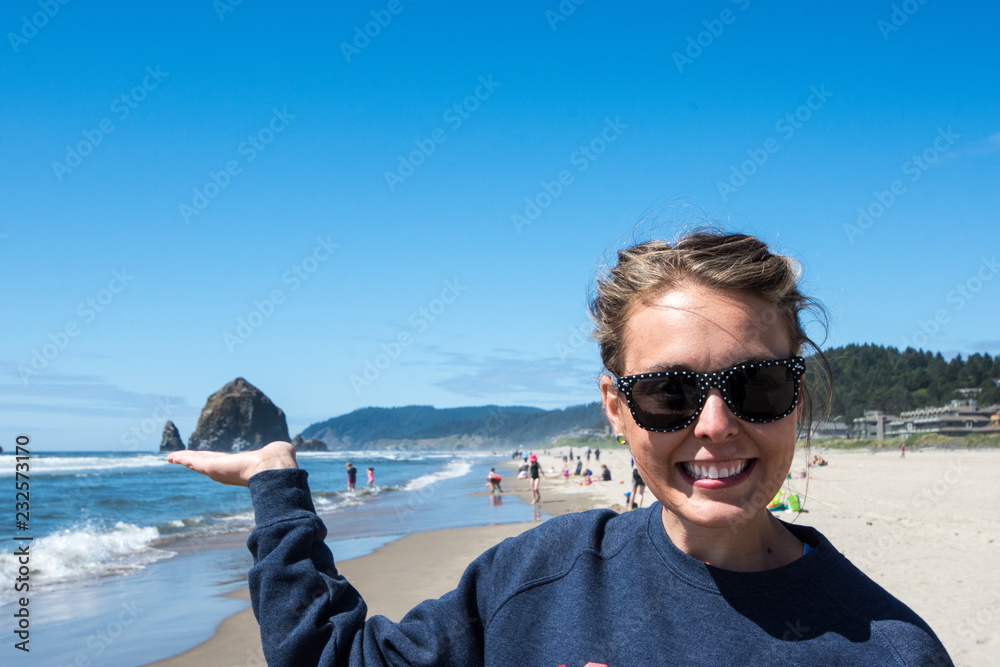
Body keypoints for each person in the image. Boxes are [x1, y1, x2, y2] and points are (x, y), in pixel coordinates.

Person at [168, 230, 952, 665]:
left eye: (758, 386)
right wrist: (278, 484)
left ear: (799, 399)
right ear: (617, 407)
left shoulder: (894, 649)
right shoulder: (537, 578)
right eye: (670, 394)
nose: (714, 424)